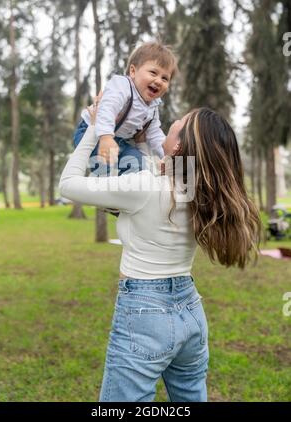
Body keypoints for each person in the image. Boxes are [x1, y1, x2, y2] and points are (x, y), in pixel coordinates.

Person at [59, 105, 261, 402]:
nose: (171, 122)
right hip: (190, 310)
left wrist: (95, 124)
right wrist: (141, 143)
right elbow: (158, 173)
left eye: (178, 123)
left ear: (178, 145)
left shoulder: (144, 186)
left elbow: (68, 185)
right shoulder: (198, 190)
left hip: (144, 312)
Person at [73, 41, 178, 177]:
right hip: (93, 133)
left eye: (165, 78)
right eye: (153, 73)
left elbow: (154, 133)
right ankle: (102, 189)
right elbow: (107, 108)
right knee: (104, 166)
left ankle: (128, 192)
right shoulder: (123, 85)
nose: (158, 81)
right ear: (133, 71)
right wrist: (106, 137)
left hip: (121, 141)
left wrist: (168, 155)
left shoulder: (153, 106)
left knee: (138, 164)